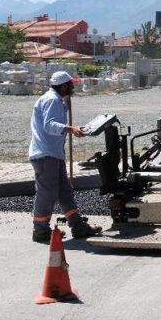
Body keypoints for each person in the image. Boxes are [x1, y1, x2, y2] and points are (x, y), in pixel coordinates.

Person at [28, 71, 103, 243]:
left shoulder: (58, 99)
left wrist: (72, 125)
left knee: (64, 191)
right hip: (45, 155)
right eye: (71, 84)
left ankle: (77, 225)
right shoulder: (52, 100)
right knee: (47, 193)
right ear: (64, 86)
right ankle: (40, 230)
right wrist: (71, 129)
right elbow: (49, 125)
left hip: (53, 154)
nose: (73, 87)